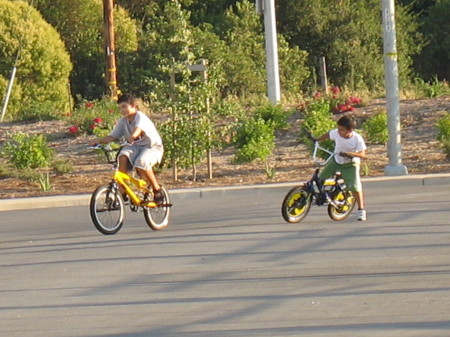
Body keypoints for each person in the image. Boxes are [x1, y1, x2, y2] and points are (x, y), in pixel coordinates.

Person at [88, 93, 164, 203]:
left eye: (124, 107)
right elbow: (113, 136)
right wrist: (98, 140)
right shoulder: (122, 121)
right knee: (122, 157)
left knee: (142, 161)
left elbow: (137, 130)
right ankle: (123, 191)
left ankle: (157, 189)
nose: (122, 110)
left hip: (152, 147)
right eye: (120, 108)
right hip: (135, 147)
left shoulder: (140, 117)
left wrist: (132, 137)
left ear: (133, 105)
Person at [314, 115, 367, 221]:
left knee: (355, 187)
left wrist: (350, 154)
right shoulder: (336, 133)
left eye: (342, 130)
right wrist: (316, 140)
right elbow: (328, 135)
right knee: (320, 179)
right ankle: (329, 194)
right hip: (336, 161)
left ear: (350, 130)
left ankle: (361, 210)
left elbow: (362, 155)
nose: (339, 132)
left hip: (350, 165)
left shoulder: (357, 139)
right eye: (338, 128)